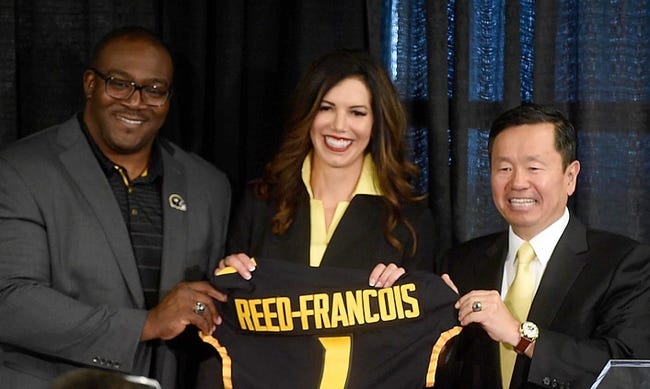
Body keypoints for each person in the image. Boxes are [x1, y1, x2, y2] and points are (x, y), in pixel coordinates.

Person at [197, 50, 456, 388]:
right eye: (326, 108)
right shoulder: (261, 202)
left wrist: (414, 293)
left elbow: (421, 344)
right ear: (307, 114)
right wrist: (229, 275)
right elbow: (224, 322)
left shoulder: (411, 219)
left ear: (377, 122)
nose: (339, 126)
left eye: (357, 113)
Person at [0, 26, 231, 388]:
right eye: (119, 83)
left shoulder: (209, 186)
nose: (136, 101)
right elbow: (10, 301)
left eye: (155, 90)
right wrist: (147, 324)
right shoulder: (20, 171)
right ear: (90, 84)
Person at [437, 103, 650, 388]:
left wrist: (519, 336)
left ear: (570, 177)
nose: (518, 182)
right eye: (504, 168)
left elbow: (627, 372)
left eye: (534, 167)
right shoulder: (459, 262)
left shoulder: (624, 263)